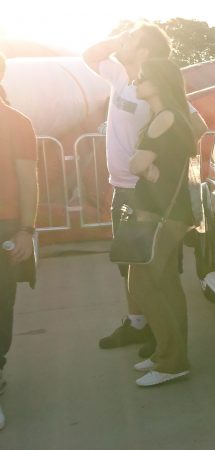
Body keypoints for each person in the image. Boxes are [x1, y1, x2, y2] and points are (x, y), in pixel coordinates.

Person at [83, 22, 206, 359]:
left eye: (133, 38)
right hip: (121, 188)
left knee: (159, 269)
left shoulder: (159, 88)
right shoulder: (121, 77)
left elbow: (195, 126)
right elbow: (89, 54)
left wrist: (159, 161)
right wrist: (119, 38)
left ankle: (162, 335)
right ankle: (139, 323)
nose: (124, 41)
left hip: (149, 194)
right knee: (130, 265)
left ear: (145, 50)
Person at [128, 58, 195, 386]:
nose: (136, 82)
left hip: (160, 215)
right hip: (170, 213)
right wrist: (150, 170)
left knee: (142, 283)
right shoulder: (173, 116)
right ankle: (169, 354)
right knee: (166, 284)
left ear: (157, 82)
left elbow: (135, 164)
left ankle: (171, 362)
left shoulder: (165, 117)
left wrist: (145, 168)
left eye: (142, 77)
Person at [0, 51, 39, 430]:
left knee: (0, 305)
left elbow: (28, 180)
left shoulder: (16, 123)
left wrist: (26, 229)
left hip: (5, 226)